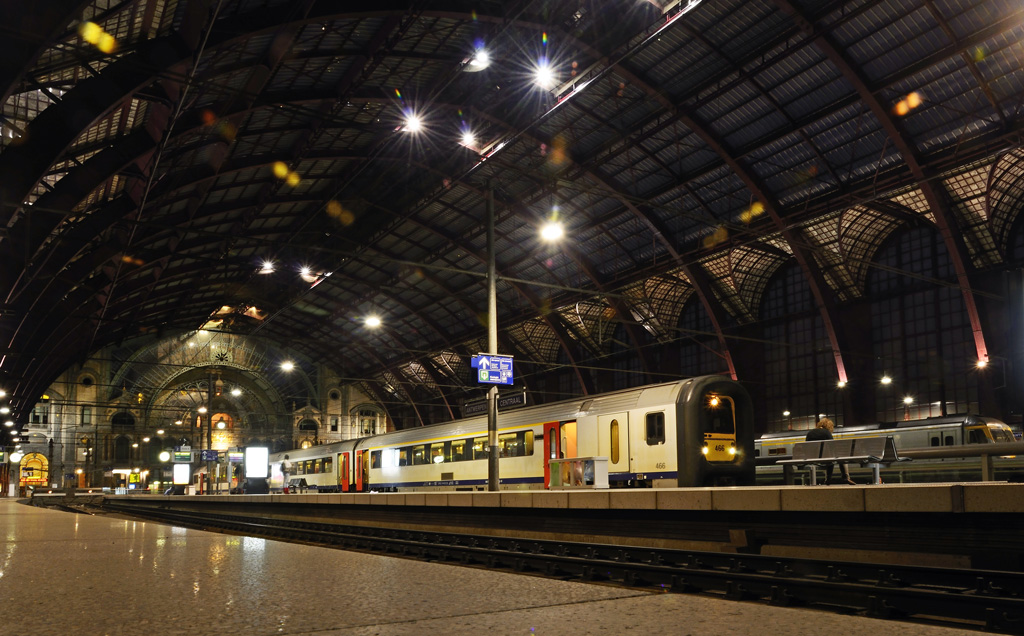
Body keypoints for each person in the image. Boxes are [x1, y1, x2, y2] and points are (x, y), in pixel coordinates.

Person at [805, 417, 856, 485]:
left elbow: (806, 447)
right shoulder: (826, 432)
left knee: (829, 456)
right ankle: (844, 477)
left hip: (811, 458)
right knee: (836, 456)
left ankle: (829, 479)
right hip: (825, 458)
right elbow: (833, 446)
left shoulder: (810, 433)